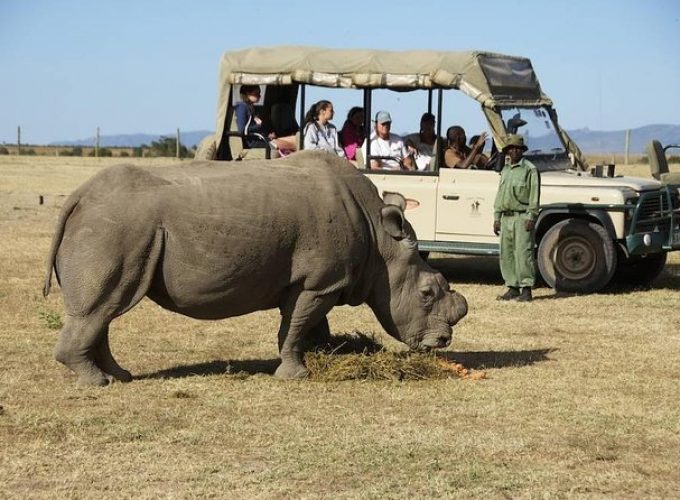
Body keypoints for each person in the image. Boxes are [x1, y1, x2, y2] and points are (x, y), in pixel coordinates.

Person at [493, 134, 541, 302]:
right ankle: (512, 287)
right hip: (506, 217)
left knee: (523, 253)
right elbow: (500, 195)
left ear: (522, 150)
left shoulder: (530, 169)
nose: (514, 151)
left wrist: (531, 216)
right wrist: (497, 217)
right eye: (510, 148)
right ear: (506, 151)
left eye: (517, 148)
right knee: (506, 254)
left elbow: (534, 195)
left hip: (522, 217)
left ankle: (526, 289)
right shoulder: (505, 170)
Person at [233, 85, 297, 153]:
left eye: (259, 93)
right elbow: (242, 130)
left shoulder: (251, 108)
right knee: (295, 144)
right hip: (254, 142)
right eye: (256, 93)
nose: (259, 96)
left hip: (262, 139)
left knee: (295, 139)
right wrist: (258, 126)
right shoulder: (242, 107)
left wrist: (268, 135)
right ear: (247, 93)